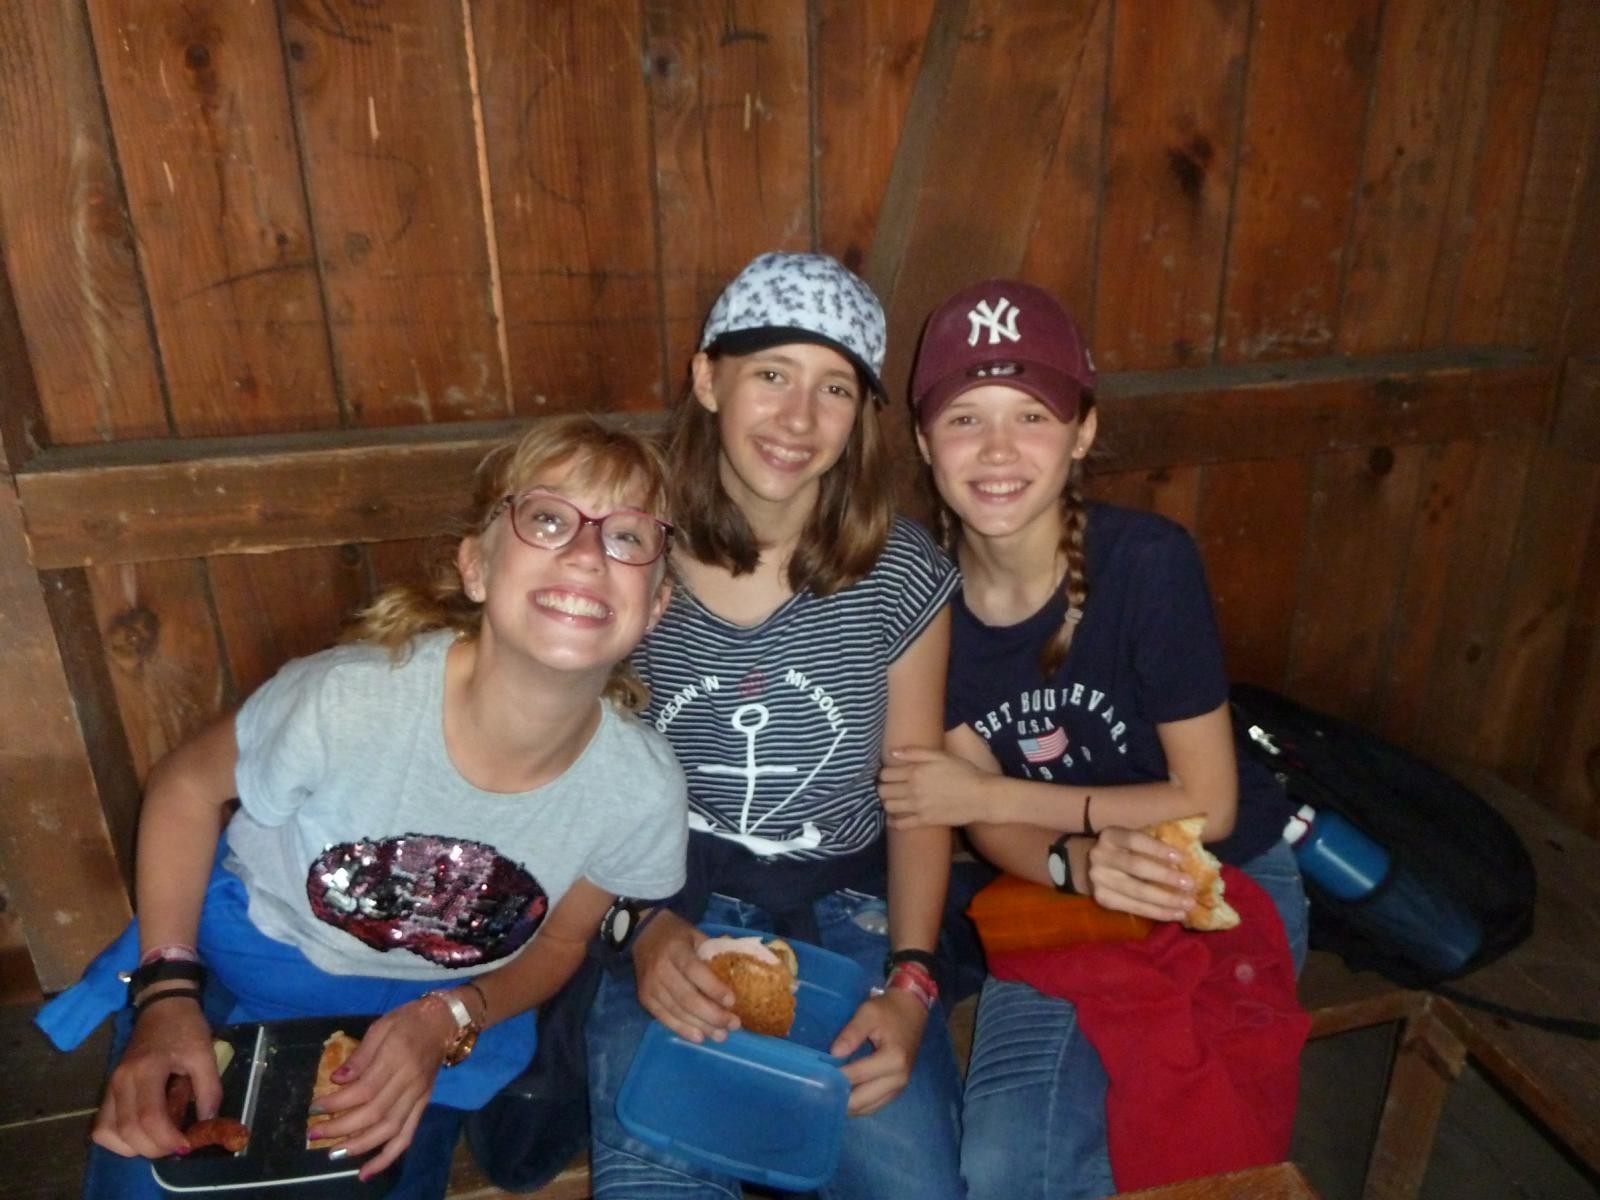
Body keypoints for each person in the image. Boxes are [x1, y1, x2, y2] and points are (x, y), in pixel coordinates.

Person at [41, 416, 689, 1200]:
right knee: (154, 1173)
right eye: (549, 520)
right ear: (477, 566)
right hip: (249, 971)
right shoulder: (347, 701)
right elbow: (184, 788)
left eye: (627, 537)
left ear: (657, 604)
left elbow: (558, 942)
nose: (587, 554)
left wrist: (446, 1020)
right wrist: (168, 992)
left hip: (438, 1014)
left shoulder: (640, 790)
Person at [878, 280, 1309, 1200]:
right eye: (965, 418)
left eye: (1032, 415)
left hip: (1219, 877)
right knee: (1009, 1163)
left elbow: (1207, 804)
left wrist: (993, 795)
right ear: (922, 440)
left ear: (1082, 433)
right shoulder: (922, 600)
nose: (998, 450)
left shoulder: (1147, 562)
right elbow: (981, 822)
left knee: (1196, 1137)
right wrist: (1070, 861)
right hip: (1054, 886)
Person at [585, 252, 967, 1199]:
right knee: (656, 1175)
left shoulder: (901, 573)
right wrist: (638, 927)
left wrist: (912, 984)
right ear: (707, 378)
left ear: (861, 415)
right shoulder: (627, 550)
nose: (799, 419)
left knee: (915, 1184)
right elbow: (568, 775)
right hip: (661, 900)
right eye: (771, 374)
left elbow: (918, 795)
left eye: (834, 388)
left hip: (848, 915)